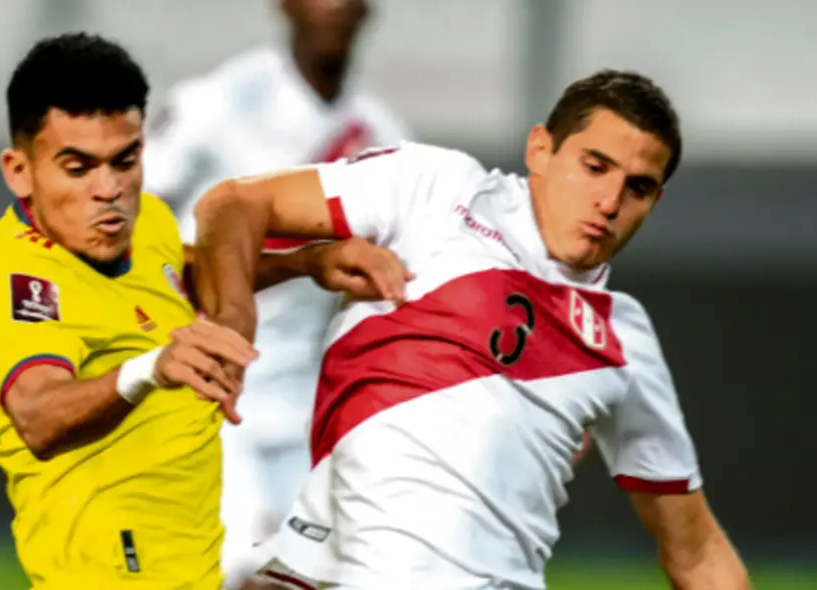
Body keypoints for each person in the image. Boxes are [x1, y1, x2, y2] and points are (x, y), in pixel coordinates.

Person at [192, 70, 753, 589]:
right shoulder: (440, 190)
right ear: (540, 149)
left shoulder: (621, 339)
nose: (609, 202)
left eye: (638, 187)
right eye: (595, 166)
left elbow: (694, 549)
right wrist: (235, 322)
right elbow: (235, 203)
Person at [0, 32, 410, 589]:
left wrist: (307, 263)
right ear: (19, 171)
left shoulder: (144, 222)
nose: (108, 190)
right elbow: (38, 414)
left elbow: (185, 272)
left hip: (185, 561)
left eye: (124, 162)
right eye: (77, 168)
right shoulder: (17, 273)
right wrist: (151, 368)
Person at [142, 1, 411, 584]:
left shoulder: (383, 135)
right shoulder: (219, 103)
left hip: (303, 403)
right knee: (247, 573)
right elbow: (133, 213)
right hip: (205, 389)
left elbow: (416, 273)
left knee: (312, 577)